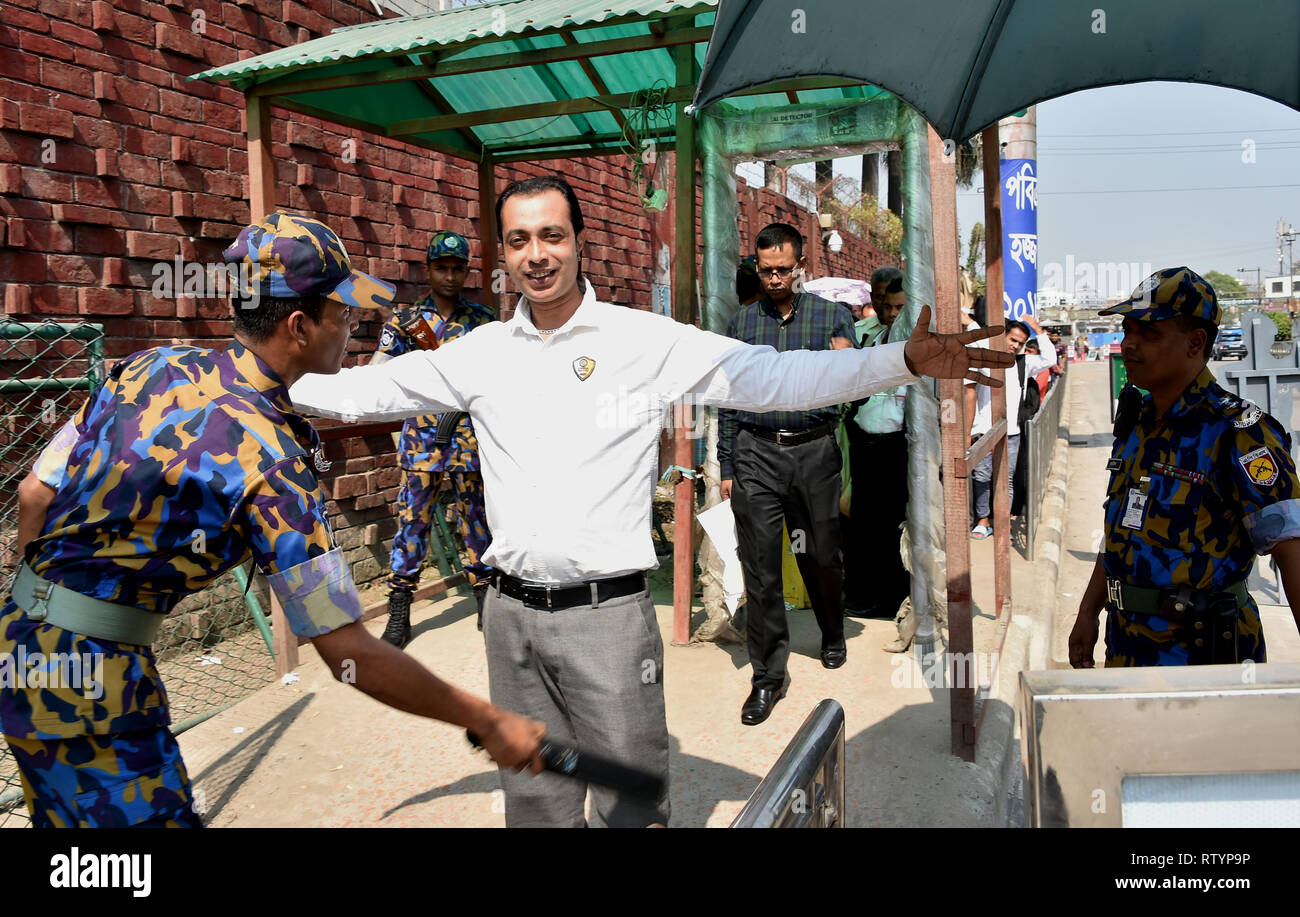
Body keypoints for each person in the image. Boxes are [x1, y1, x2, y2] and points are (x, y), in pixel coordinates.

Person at [289, 174, 1013, 827]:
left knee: (633, 810)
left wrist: (904, 360)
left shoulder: (640, 342)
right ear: (501, 256)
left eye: (551, 235)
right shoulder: (479, 353)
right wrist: (246, 372)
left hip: (606, 621)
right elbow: (362, 393)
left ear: (580, 243)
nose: (536, 254)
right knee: (536, 809)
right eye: (518, 240)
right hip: (508, 623)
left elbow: (771, 378)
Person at [0, 211, 544, 828]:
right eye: (344, 313)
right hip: (91, 686)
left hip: (20, 642)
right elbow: (347, 650)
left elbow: (34, 493)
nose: (353, 326)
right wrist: (486, 718)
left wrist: (46, 609)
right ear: (298, 325)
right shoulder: (272, 464)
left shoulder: (150, 365)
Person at [1068, 267, 1300, 668]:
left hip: (1206, 660)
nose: (1130, 345)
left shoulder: (1239, 432)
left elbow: (1291, 548)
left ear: (1196, 342)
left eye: (1150, 334)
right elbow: (1125, 531)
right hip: (1127, 650)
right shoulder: (1138, 424)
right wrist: (1088, 611)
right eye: (1128, 331)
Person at [717, 223, 859, 726]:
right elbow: (729, 399)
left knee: (820, 553)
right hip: (757, 453)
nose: (774, 279)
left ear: (802, 267)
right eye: (766, 270)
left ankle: (832, 628)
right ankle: (768, 677)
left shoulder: (831, 318)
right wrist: (728, 463)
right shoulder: (741, 326)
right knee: (760, 567)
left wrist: (849, 375)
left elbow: (857, 388)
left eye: (783, 270)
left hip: (813, 453)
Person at [371, 230, 496, 647]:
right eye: (441, 268)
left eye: (457, 268)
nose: (449, 276)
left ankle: (485, 599)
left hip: (468, 439)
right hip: (422, 440)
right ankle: (400, 609)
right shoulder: (407, 321)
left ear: (466, 271)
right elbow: (379, 370)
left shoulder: (481, 321)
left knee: (476, 522)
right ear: (429, 270)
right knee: (412, 523)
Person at [843, 266, 910, 619]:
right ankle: (864, 597)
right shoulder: (865, 338)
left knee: (896, 525)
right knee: (865, 525)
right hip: (864, 445)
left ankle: (895, 599)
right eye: (884, 301)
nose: (890, 310)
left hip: (902, 448)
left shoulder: (918, 343)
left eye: (899, 306)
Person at [965, 312, 1056, 539]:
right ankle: (983, 520)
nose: (1015, 346)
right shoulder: (986, 358)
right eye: (1012, 340)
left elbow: (1050, 359)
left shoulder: (1024, 363)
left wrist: (1038, 330)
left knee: (1006, 479)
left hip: (1011, 433)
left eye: (1020, 343)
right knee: (982, 476)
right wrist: (971, 323)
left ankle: (1003, 524)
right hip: (984, 432)